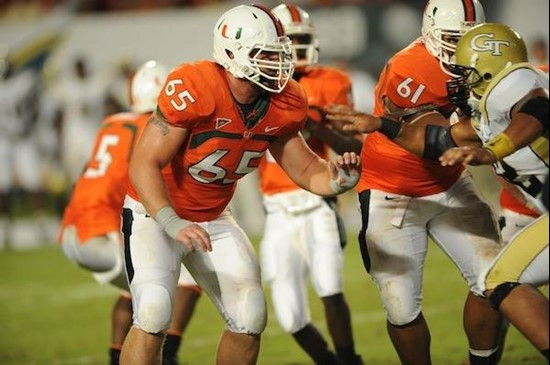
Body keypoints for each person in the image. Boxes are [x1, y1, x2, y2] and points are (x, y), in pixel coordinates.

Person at [120, 5, 360, 365]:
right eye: (266, 54)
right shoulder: (196, 85)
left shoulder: (285, 100)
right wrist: (172, 221)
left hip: (213, 217)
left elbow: (307, 167)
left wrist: (339, 179)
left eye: (278, 53)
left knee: (249, 314)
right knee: (154, 311)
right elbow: (144, 163)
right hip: (154, 213)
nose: (278, 62)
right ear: (232, 53)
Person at [328, 22, 550, 361]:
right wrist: (380, 124)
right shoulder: (487, 110)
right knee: (498, 280)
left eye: (469, 72)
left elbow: (537, 111)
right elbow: (437, 141)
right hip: (393, 192)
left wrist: (494, 151)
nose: (461, 82)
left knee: (501, 280)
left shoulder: (518, 84)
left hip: (457, 191)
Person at [58, 61, 202, 365]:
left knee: (138, 288)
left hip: (74, 228)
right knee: (181, 281)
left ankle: (117, 357)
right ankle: (169, 356)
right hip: (100, 232)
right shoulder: (152, 129)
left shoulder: (112, 122)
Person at [256, 4, 362, 365]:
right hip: (276, 208)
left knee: (331, 289)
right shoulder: (251, 85)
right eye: (291, 40)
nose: (298, 48)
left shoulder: (330, 81)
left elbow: (354, 145)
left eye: (303, 39)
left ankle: (350, 361)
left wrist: (316, 127)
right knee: (289, 316)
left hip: (316, 200)